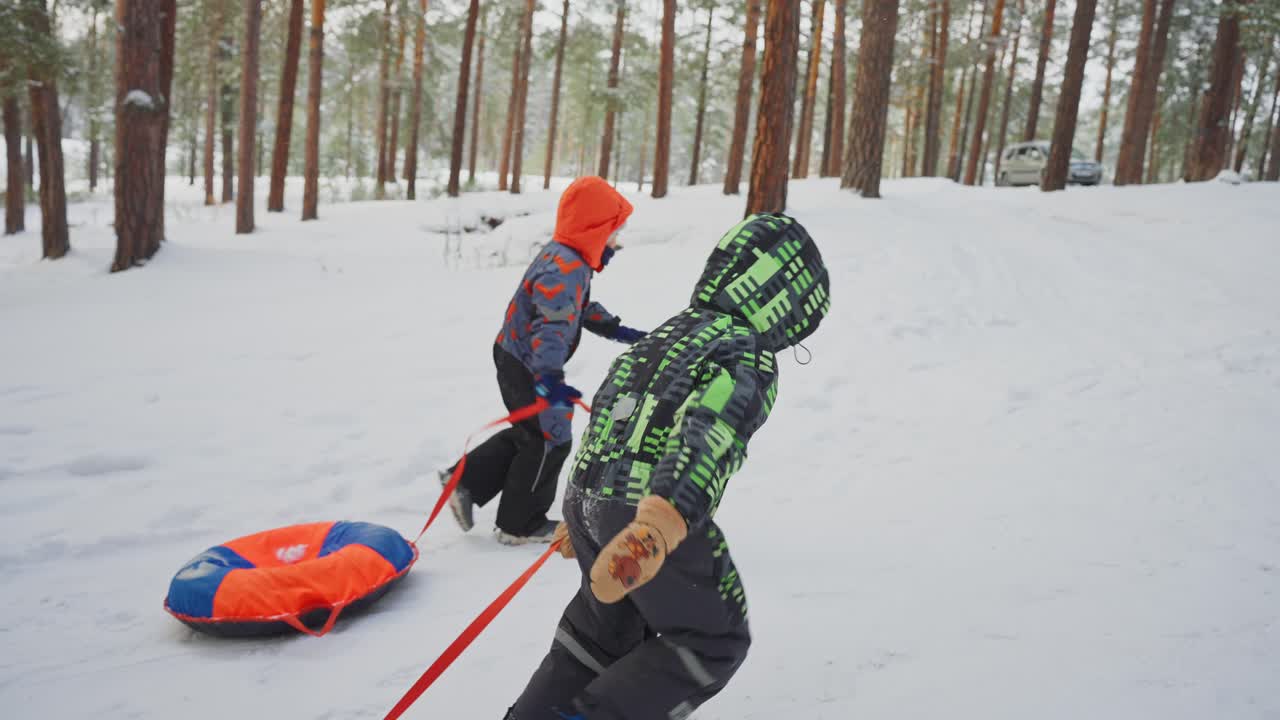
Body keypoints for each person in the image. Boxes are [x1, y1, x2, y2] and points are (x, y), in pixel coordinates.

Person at [504, 212, 831, 718]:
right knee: (711, 639)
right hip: (650, 511)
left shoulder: (666, 334)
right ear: (787, 304)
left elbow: (612, 410)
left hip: (592, 498)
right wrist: (661, 519)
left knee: (600, 631)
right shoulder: (747, 353)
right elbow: (708, 432)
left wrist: (582, 508)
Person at [442, 176, 647, 546]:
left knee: (533, 433)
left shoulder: (569, 257)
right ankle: (520, 523)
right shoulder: (565, 268)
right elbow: (551, 327)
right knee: (550, 439)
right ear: (595, 229)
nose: (618, 240)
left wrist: (615, 329)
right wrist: (548, 378)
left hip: (519, 356)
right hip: (529, 363)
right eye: (615, 231)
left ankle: (465, 482)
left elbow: (574, 308)